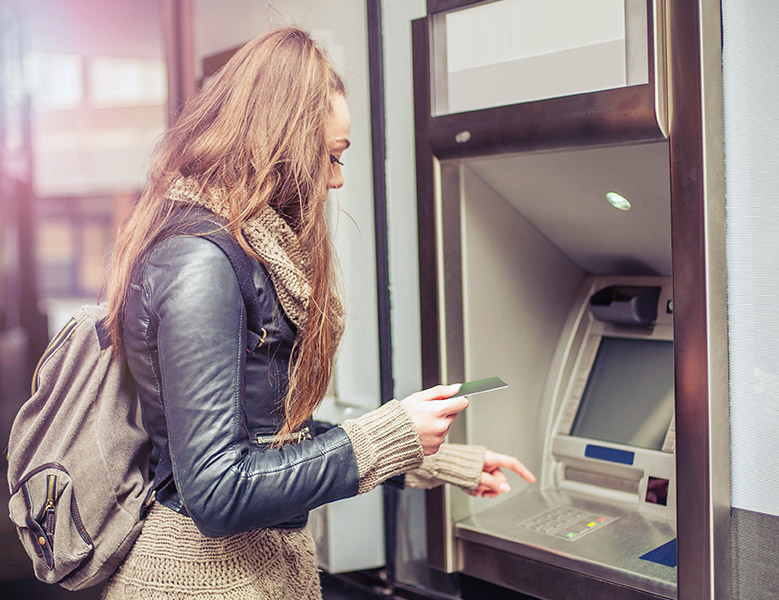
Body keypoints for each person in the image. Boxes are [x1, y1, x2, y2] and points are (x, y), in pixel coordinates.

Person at [101, 27, 535, 599]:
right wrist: (389, 434)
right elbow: (216, 489)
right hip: (194, 582)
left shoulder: (242, 251)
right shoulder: (201, 262)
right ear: (278, 144)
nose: (337, 178)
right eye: (330, 156)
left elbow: (269, 442)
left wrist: (431, 458)